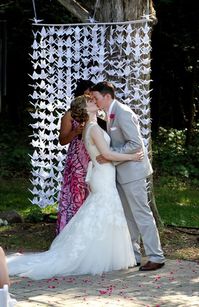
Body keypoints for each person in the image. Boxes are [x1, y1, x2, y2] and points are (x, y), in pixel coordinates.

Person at [7, 95, 143, 280]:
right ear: (85, 109)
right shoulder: (93, 128)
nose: (94, 102)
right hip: (102, 174)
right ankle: (93, 256)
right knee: (103, 211)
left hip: (101, 173)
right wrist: (132, 157)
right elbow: (107, 153)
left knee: (98, 213)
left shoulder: (89, 126)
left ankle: (101, 253)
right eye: (89, 102)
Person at [91, 81, 165, 271]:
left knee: (141, 214)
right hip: (121, 173)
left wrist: (109, 154)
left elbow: (136, 145)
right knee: (128, 217)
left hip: (133, 172)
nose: (94, 101)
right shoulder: (107, 114)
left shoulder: (123, 112)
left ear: (107, 96)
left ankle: (156, 256)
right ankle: (134, 255)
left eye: (96, 98)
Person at [56, 79, 93, 234]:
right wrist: (75, 132)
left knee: (91, 192)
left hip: (92, 158)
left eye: (92, 93)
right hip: (76, 159)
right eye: (88, 93)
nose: (90, 96)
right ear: (81, 93)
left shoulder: (95, 112)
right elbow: (62, 140)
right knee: (76, 193)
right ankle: (70, 232)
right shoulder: (70, 115)